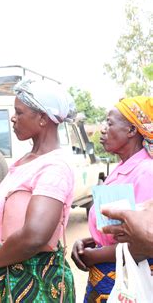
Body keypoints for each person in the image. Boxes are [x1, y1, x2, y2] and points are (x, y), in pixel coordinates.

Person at [0, 79, 77, 302]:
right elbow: (7, 221)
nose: (13, 117)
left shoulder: (54, 167)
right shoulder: (25, 162)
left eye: (19, 112)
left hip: (38, 283)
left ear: (42, 118)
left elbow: (34, 236)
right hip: (13, 276)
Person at [71, 96, 153, 302]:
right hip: (108, 273)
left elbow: (143, 242)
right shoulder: (122, 168)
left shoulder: (146, 172)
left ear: (132, 130)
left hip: (125, 277)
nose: (103, 129)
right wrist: (91, 242)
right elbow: (117, 229)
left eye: (109, 122)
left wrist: (94, 255)